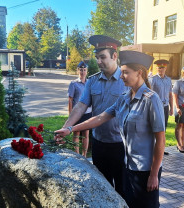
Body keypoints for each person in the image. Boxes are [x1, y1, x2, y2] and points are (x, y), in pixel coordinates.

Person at [55, 50, 165, 208]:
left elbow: (160, 140)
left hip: (145, 169)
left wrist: (154, 174)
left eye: (125, 72)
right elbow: (99, 118)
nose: (121, 76)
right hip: (129, 166)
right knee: (128, 203)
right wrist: (70, 129)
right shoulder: (124, 98)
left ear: (139, 73)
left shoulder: (151, 99)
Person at [58, 35, 128, 196]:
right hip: (99, 145)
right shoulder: (92, 81)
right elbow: (81, 106)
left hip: (121, 146)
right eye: (97, 57)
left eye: (102, 57)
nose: (98, 61)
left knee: (123, 190)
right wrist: (65, 128)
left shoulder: (126, 80)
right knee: (102, 189)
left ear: (114, 56)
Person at [67, 61, 92, 157]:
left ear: (87, 71)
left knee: (86, 134)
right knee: (76, 134)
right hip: (76, 113)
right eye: (81, 70)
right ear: (78, 70)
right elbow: (70, 100)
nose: (82, 72)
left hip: (87, 112)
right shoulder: (73, 84)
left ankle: (84, 155)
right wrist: (70, 115)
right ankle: (77, 155)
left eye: (84, 70)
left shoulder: (89, 83)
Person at [149, 59, 173, 155]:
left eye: (162, 68)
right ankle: (153, 148)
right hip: (156, 107)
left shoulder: (168, 80)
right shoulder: (153, 79)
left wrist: (171, 107)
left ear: (165, 68)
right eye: (159, 68)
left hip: (165, 106)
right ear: (156, 68)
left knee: (163, 128)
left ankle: (161, 148)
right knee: (155, 128)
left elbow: (170, 95)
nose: (160, 70)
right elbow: (149, 94)